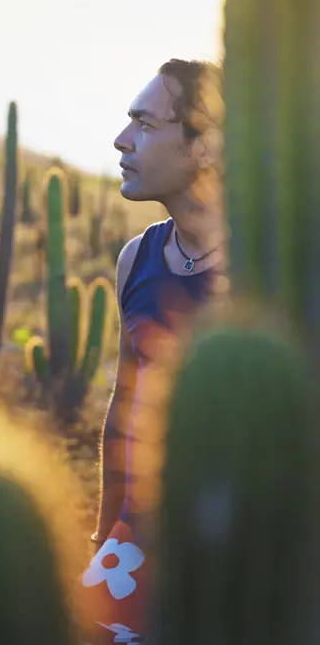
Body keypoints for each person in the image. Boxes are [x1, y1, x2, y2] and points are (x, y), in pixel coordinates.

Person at [78, 59, 226, 644]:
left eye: (144, 122)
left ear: (205, 147)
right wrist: (105, 532)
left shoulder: (275, 273)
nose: (121, 140)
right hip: (139, 537)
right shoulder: (136, 259)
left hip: (242, 552)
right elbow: (125, 409)